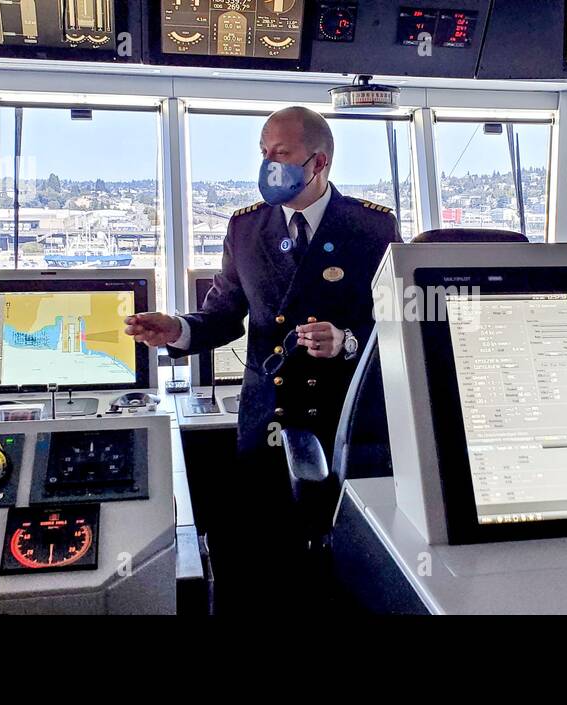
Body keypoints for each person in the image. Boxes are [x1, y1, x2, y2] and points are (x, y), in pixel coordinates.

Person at [124, 106, 399, 611]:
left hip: (346, 417)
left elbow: (397, 325)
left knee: (351, 567)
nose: (269, 163)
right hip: (267, 414)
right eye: (263, 152)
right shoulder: (246, 229)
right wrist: (179, 330)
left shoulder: (372, 228)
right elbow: (224, 315)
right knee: (267, 559)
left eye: (281, 153)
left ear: (318, 162)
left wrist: (347, 341)